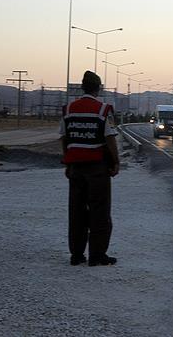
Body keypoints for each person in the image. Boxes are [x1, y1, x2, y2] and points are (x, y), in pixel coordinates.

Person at [60, 71, 120, 266]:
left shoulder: (68, 109)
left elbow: (64, 137)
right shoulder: (103, 110)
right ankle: (97, 255)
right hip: (97, 168)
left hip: (76, 167)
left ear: (82, 87)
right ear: (98, 88)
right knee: (99, 211)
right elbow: (110, 138)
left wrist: (68, 161)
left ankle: (76, 255)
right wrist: (115, 162)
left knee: (76, 212)